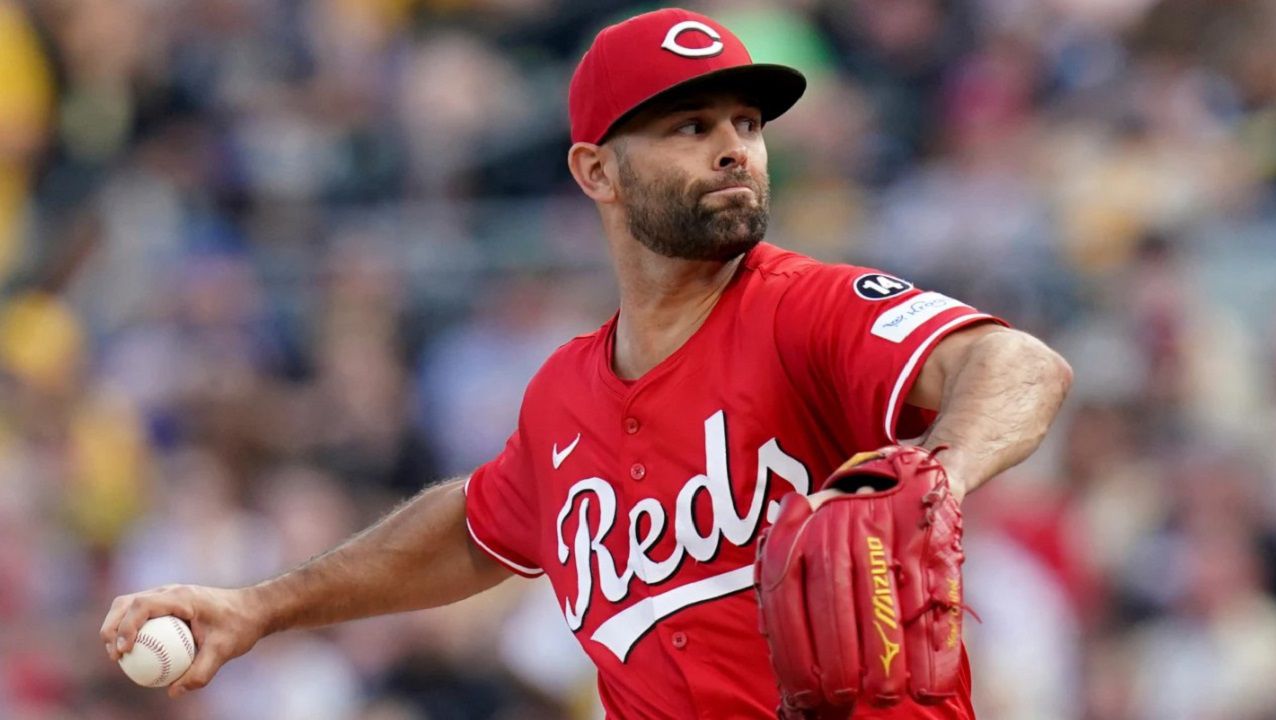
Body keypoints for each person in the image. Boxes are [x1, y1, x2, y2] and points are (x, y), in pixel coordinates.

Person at [101, 8, 1072, 719]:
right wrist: (258, 608)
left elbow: (1016, 365)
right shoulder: (565, 393)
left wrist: (935, 474)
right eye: (690, 128)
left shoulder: (804, 310)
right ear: (594, 171)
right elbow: (477, 529)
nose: (733, 149)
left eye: (745, 123)